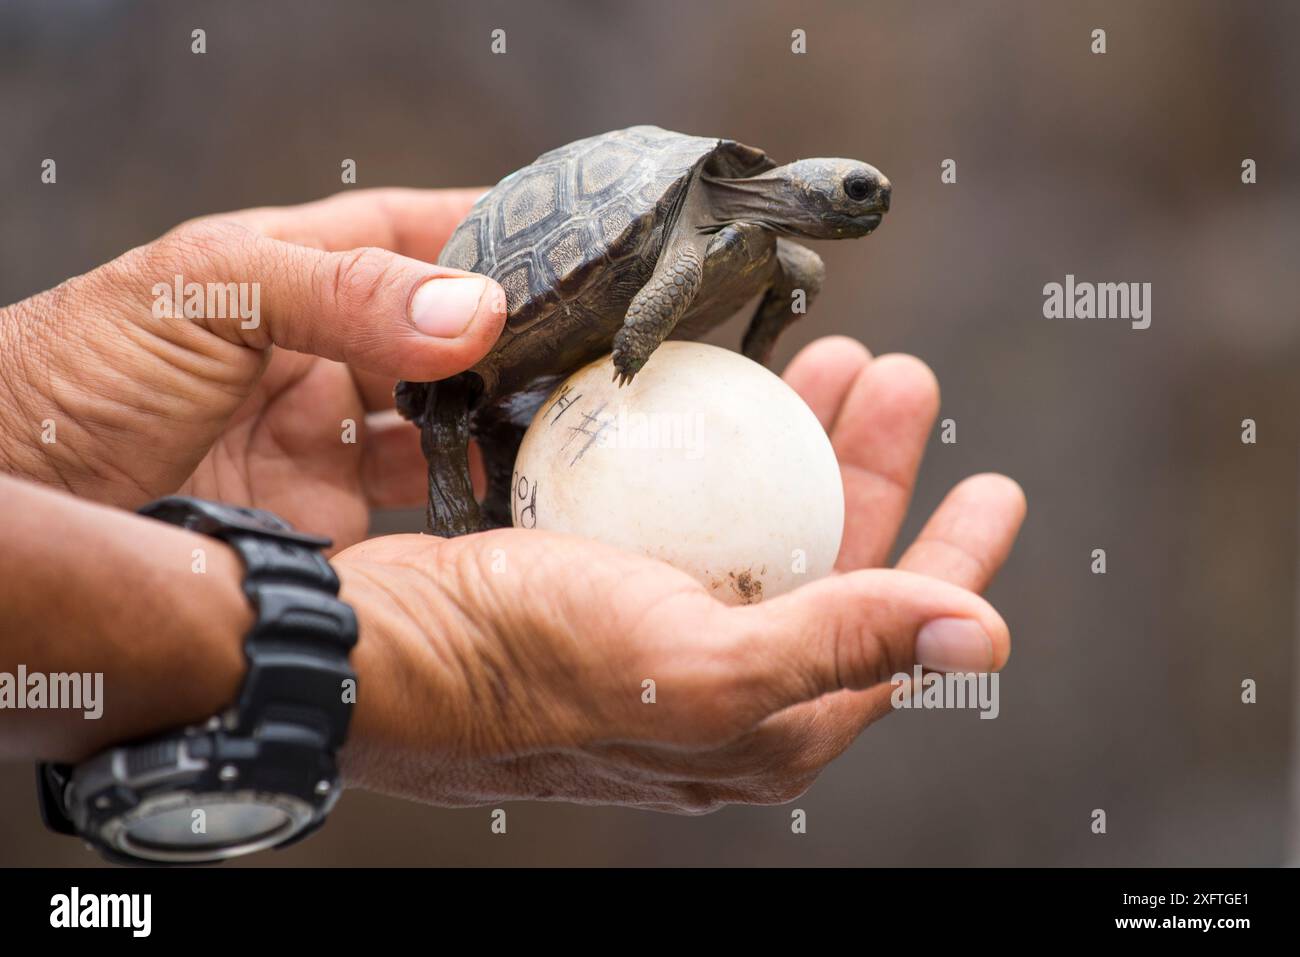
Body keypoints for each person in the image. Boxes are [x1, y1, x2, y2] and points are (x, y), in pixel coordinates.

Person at [0, 188, 1024, 812]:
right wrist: (405, 658)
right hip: (528, 318)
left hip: (556, 365)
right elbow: (654, 292)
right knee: (457, 409)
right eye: (846, 194)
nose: (855, 210)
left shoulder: (769, 248)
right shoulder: (689, 236)